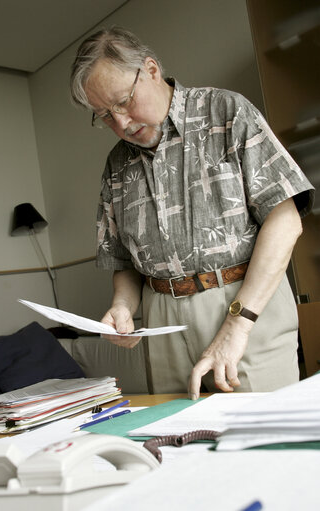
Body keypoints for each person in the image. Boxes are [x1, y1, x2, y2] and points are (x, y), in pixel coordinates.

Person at [70, 26, 314, 398]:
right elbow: (123, 260)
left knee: (261, 445)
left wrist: (239, 324)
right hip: (162, 320)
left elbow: (285, 220)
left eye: (123, 102)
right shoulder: (117, 164)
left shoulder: (226, 112)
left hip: (243, 305)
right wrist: (121, 306)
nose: (121, 124)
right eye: (104, 115)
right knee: (182, 442)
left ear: (150, 70)